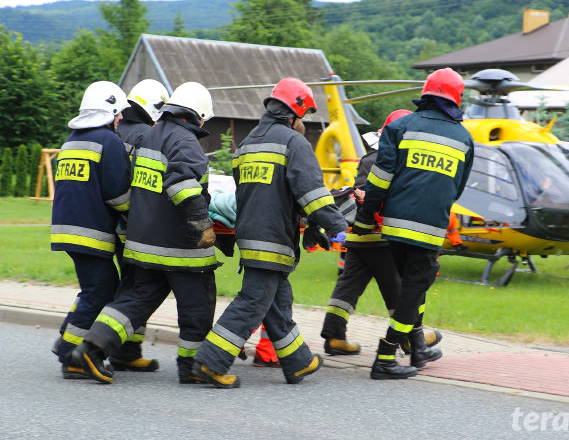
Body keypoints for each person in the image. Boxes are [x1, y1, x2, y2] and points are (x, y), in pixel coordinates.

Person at [193, 77, 348, 388]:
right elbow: (312, 193)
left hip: (248, 233)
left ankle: (298, 362)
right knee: (252, 301)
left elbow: (256, 192)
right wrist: (337, 225)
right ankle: (211, 361)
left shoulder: (246, 145)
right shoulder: (293, 142)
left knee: (277, 301)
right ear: (296, 112)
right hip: (275, 238)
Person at [73, 82, 220, 385]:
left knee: (136, 299)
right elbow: (182, 186)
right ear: (198, 116)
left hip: (143, 243)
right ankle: (191, 368)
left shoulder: (150, 135)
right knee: (198, 304)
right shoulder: (186, 141)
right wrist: (203, 224)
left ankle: (91, 347)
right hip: (179, 246)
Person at [353, 68, 474, 380]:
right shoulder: (464, 139)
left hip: (393, 226)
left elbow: (380, 179)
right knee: (413, 292)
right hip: (430, 228)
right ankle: (385, 357)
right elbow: (456, 188)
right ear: (456, 98)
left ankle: (418, 348)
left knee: (411, 288)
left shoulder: (401, 127)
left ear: (427, 93)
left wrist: (366, 218)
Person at [321, 109, 442, 356]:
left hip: (358, 238)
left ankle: (334, 336)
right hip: (383, 239)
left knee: (347, 287)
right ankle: (409, 339)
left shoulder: (367, 159)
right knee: (397, 290)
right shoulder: (402, 162)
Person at [50, 81, 131, 379]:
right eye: (119, 113)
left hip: (65, 229)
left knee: (94, 288)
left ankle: (67, 339)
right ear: (110, 111)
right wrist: (133, 216)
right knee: (101, 290)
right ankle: (69, 355)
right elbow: (117, 193)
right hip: (91, 231)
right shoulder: (108, 142)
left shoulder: (71, 141)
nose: (121, 119)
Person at [107, 79, 170, 373]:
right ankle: (121, 350)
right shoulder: (149, 135)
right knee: (138, 290)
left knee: (128, 286)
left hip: (111, 225)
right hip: (138, 227)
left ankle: (128, 351)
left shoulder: (114, 131)